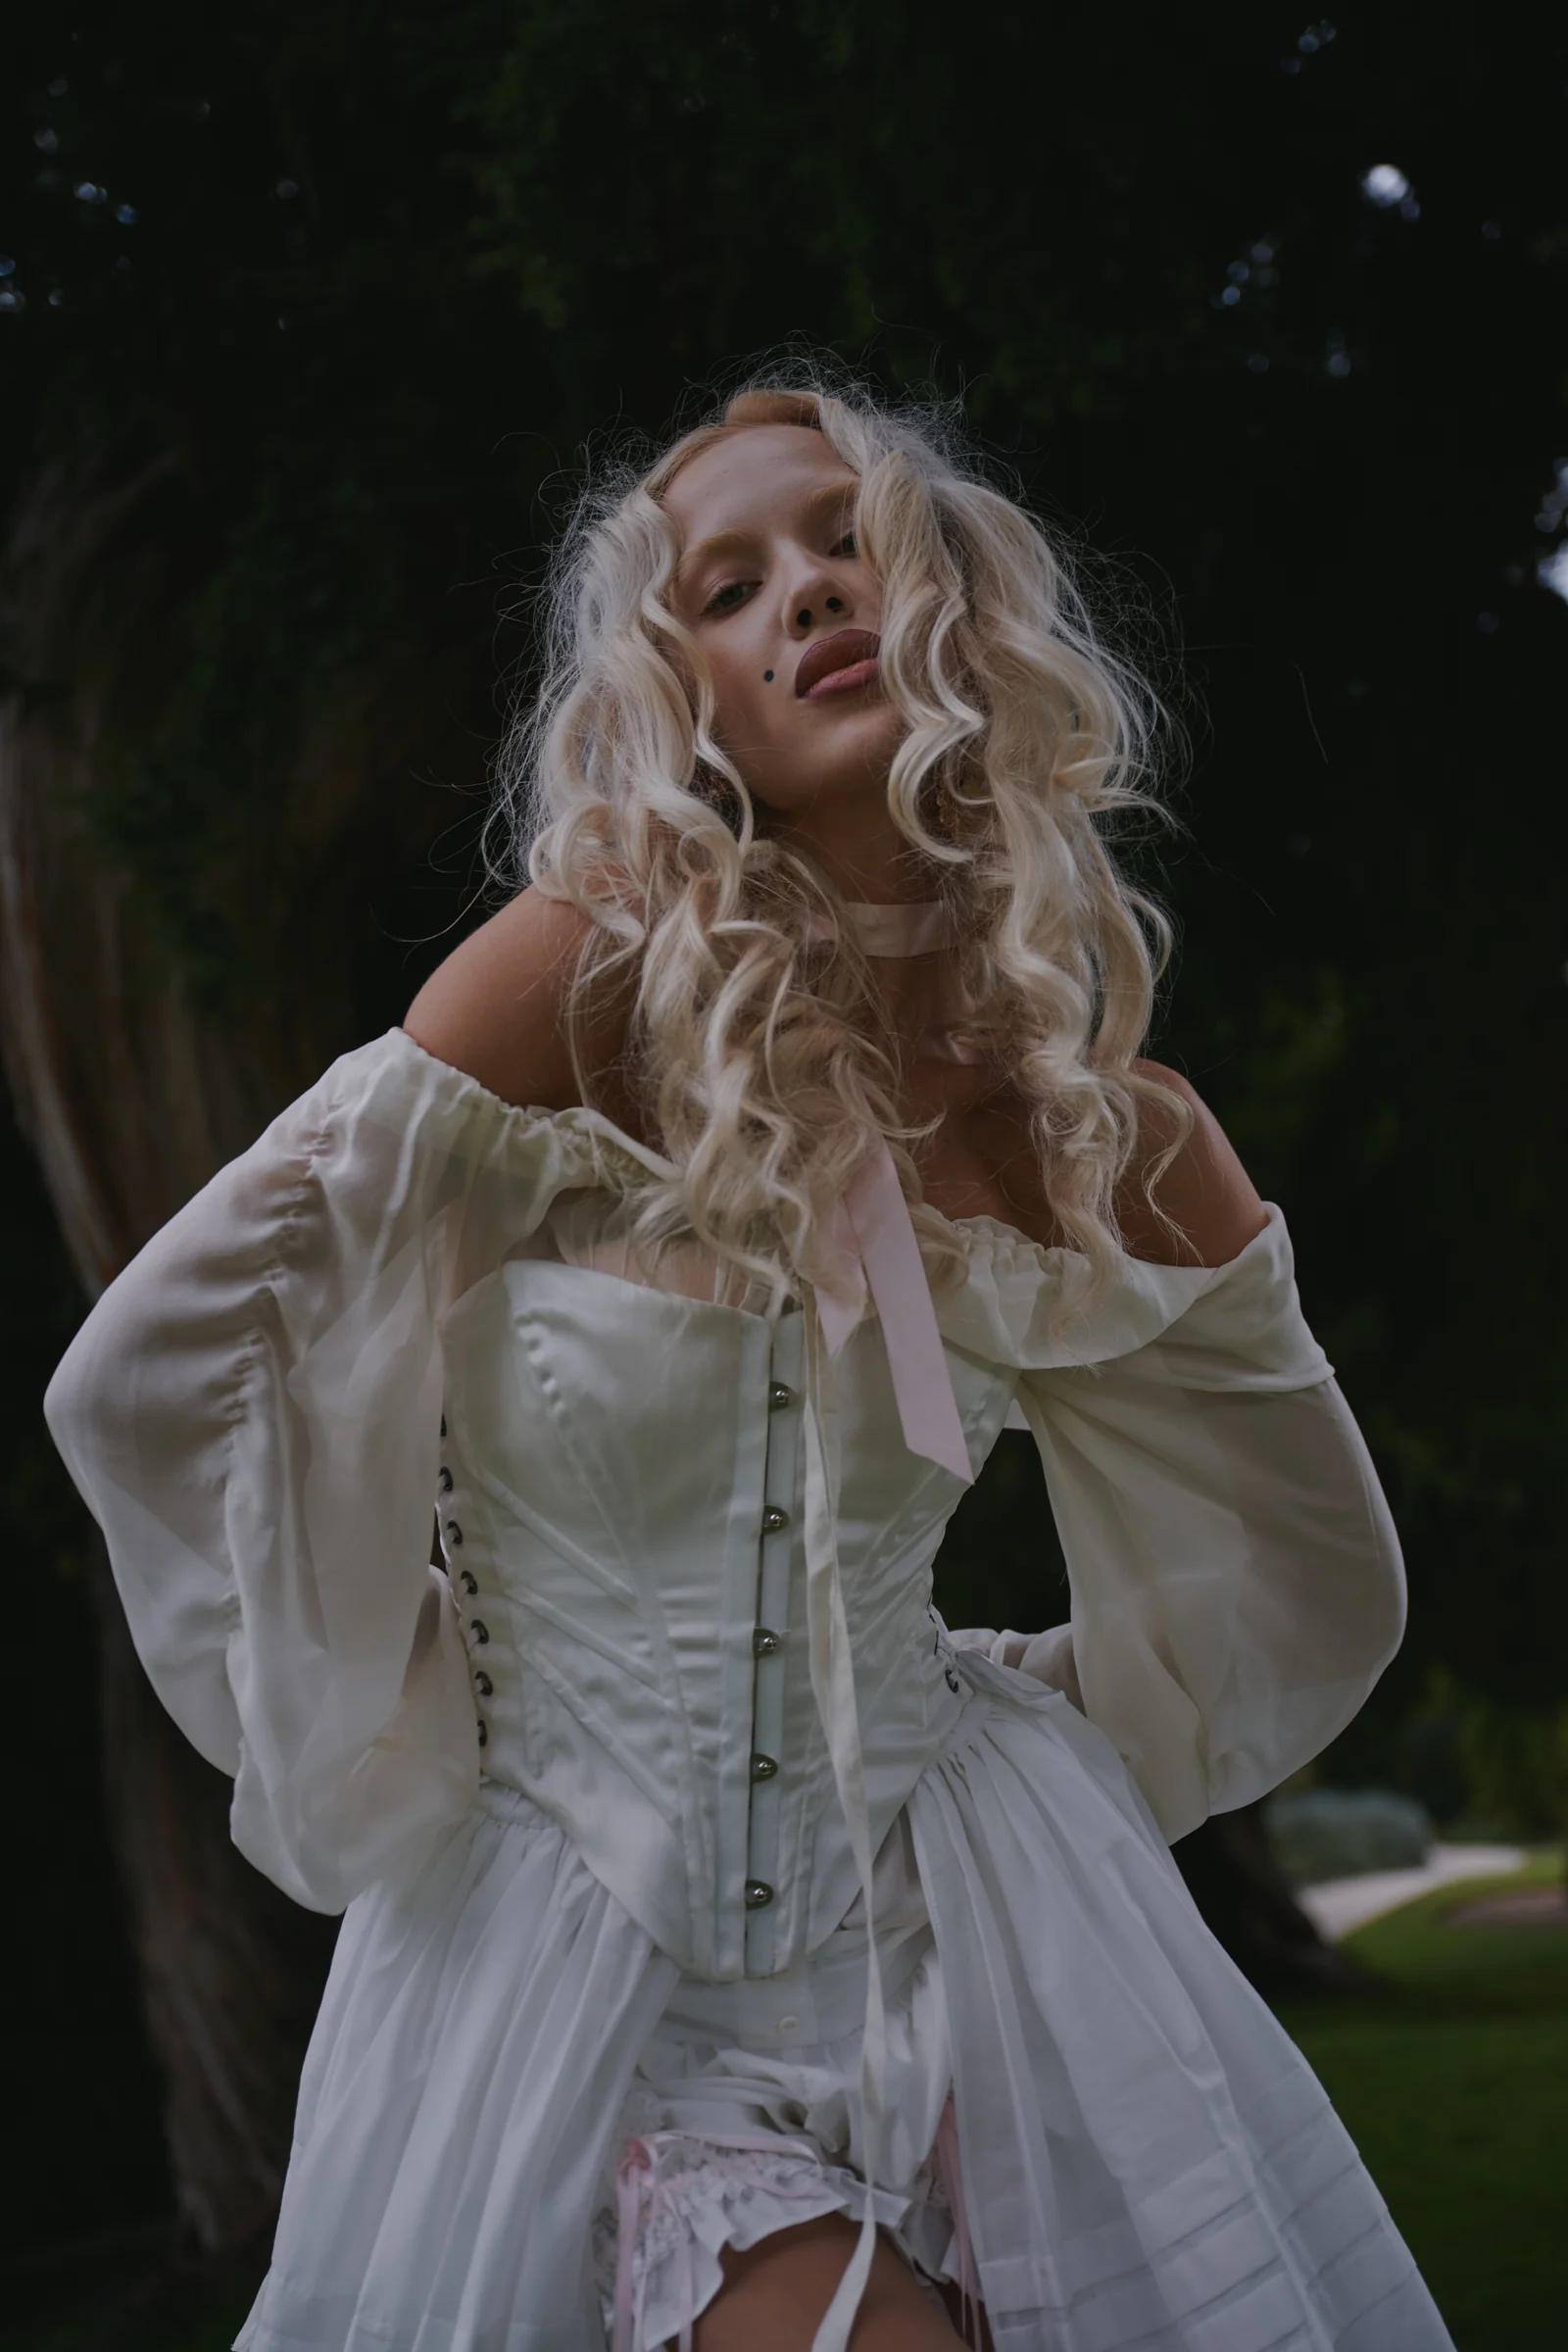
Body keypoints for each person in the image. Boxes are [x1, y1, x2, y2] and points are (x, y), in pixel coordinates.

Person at [44, 379, 1454, 2352]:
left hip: (985, 1955)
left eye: (846, 539)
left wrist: (1005, 1722)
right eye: (729, 585)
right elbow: (159, 1371)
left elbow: (1299, 1580)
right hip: (592, 1993)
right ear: (683, 694)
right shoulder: (582, 981)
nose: (808, 590)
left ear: (954, 601)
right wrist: (405, 1710)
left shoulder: (1092, 1129)